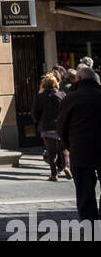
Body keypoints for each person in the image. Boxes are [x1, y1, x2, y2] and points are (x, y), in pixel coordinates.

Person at [57, 64, 101, 221]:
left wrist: (69, 146)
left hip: (80, 150)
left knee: (84, 192)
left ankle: (90, 226)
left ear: (80, 78)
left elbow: (61, 127)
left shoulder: (70, 99)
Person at [32, 72, 70, 181]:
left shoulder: (40, 97)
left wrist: (39, 122)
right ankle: (67, 167)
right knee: (64, 149)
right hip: (60, 126)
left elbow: (35, 112)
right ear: (56, 83)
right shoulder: (61, 94)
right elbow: (67, 110)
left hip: (46, 126)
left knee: (51, 152)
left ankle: (54, 174)